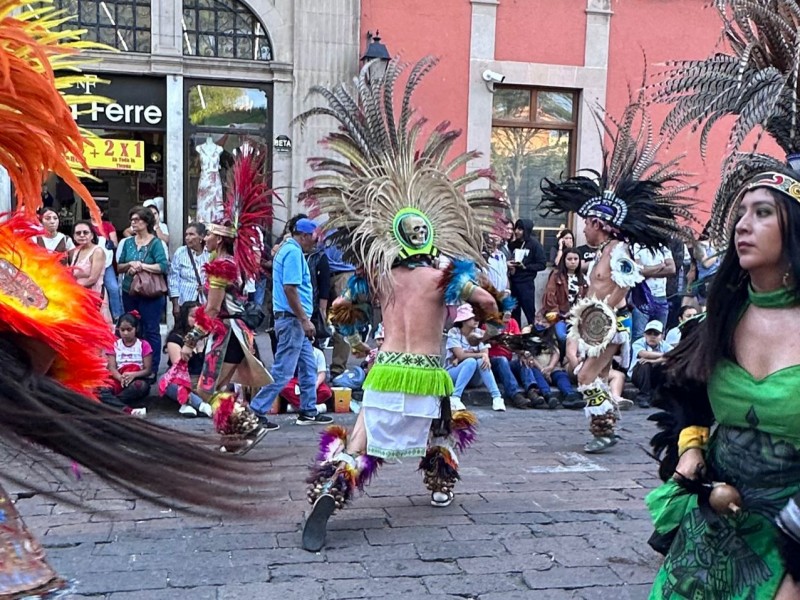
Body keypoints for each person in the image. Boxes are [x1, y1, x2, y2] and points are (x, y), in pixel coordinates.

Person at [0, 7, 285, 597]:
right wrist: (207, 316)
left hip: (225, 325)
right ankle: (238, 428)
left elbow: (220, 298)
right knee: (217, 386)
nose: (213, 239)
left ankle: (240, 427)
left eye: (219, 236)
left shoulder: (224, 263)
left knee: (223, 385)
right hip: (216, 325)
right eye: (215, 237)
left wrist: (210, 314)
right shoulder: (220, 261)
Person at [294, 57, 508, 552]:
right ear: (431, 232)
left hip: (385, 368)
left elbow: (343, 308)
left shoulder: (379, 276)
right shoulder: (444, 273)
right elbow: (483, 299)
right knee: (441, 423)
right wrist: (487, 317)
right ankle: (439, 484)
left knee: (361, 437)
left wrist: (353, 339)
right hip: (429, 371)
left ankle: (336, 482)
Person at [647, 4, 800, 593]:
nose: (743, 225)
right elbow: (687, 394)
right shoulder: (722, 318)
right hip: (710, 530)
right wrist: (691, 460)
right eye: (740, 213)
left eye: (763, 213)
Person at [539, 96, 692, 454]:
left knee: (586, 376)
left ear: (597, 224)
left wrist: (601, 314)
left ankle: (604, 428)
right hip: (599, 322)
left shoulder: (618, 252)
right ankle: (606, 424)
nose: (583, 231)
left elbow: (626, 286)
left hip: (610, 324)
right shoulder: (604, 251)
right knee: (591, 375)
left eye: (586, 225)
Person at [177, 146, 275, 452]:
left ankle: (249, 426)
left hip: (227, 333)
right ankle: (234, 438)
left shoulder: (221, 265)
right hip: (233, 332)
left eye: (207, 234)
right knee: (216, 388)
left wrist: (190, 340)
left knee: (207, 388)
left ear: (219, 239)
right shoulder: (231, 262)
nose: (203, 237)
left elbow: (212, 309)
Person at [249, 218, 334, 426]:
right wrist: (304, 319)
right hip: (293, 320)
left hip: (291, 319)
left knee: (307, 366)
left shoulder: (286, 249)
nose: (315, 243)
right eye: (313, 238)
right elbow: (290, 288)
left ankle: (308, 410)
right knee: (284, 370)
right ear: (303, 236)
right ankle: (256, 410)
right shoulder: (294, 253)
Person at [117, 206, 169, 378]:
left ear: (147, 222)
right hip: (129, 291)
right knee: (133, 328)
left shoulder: (156, 243)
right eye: (132, 220)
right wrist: (131, 264)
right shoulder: (127, 243)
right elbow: (119, 266)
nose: (133, 223)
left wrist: (141, 266)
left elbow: (163, 266)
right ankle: (133, 366)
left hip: (151, 294)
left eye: (137, 219)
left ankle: (152, 369)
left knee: (151, 329)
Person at [445, 303, 506, 412]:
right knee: (471, 361)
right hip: (453, 373)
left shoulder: (480, 333)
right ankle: (455, 397)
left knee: (479, 360)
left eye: (477, 317)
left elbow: (485, 352)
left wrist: (482, 355)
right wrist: (479, 354)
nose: (476, 319)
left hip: (475, 377)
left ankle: (497, 397)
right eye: (472, 317)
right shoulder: (454, 332)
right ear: (463, 320)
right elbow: (461, 355)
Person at [160, 301, 213, 418]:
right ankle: (200, 405)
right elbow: (178, 367)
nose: (197, 321)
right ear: (184, 317)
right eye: (193, 317)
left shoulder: (210, 338)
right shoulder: (175, 338)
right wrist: (191, 344)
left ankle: (188, 404)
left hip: (204, 382)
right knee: (165, 381)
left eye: (200, 317)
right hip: (184, 380)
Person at [99, 311, 151, 417]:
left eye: (129, 330)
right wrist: (120, 378)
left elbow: (148, 370)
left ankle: (112, 404)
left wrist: (133, 375)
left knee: (141, 387)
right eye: (122, 330)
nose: (126, 333)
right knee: (100, 390)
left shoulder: (143, 345)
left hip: (136, 379)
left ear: (136, 329)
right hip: (118, 377)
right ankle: (126, 410)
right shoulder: (114, 344)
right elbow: (112, 367)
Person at [486, 313, 538, 409]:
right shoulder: (489, 323)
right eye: (506, 310)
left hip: (508, 361)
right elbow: (484, 342)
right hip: (493, 361)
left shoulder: (513, 322)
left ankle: (532, 390)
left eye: (510, 310)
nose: (508, 313)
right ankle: (515, 394)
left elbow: (518, 343)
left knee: (522, 361)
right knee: (502, 360)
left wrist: (523, 353)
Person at [540, 248, 588, 345]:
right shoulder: (556, 275)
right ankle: (561, 358)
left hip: (576, 315)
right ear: (564, 260)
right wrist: (559, 314)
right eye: (569, 259)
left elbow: (586, 299)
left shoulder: (583, 278)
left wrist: (575, 312)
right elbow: (550, 296)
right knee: (562, 337)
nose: (573, 262)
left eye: (576, 259)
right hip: (559, 314)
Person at [324, 235, 356, 378]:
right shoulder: (324, 228)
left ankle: (338, 369)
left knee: (342, 322)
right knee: (318, 320)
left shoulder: (350, 228)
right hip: (324, 273)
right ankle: (315, 367)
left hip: (344, 273)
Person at [70, 220, 112, 325]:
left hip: (94, 295)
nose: (82, 235)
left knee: (96, 327)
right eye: (78, 233)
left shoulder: (97, 251)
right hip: (79, 296)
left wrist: (73, 288)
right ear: (74, 237)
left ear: (92, 235)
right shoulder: (76, 251)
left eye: (85, 232)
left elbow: (93, 279)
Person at [631, 243, 675, 341]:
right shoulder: (636, 245)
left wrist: (647, 270)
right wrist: (661, 266)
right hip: (642, 297)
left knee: (659, 334)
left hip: (661, 296)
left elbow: (671, 269)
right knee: (639, 335)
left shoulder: (664, 246)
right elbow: (637, 271)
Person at [507, 218, 546, 326]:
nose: (517, 231)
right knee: (514, 314)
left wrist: (525, 267)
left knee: (530, 313)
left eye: (521, 229)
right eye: (516, 228)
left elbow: (542, 264)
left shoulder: (535, 245)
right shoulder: (512, 244)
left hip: (526, 284)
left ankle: (533, 335)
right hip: (512, 283)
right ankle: (516, 336)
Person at [168, 222, 209, 320]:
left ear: (202, 236)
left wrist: (207, 287)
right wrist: (175, 305)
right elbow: (173, 279)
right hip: (185, 302)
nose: (187, 238)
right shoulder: (180, 253)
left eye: (191, 234)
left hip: (206, 302)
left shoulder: (210, 253)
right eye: (186, 234)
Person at [628, 320, 672, 408]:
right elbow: (644, 354)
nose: (652, 336)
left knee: (667, 365)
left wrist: (654, 361)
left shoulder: (665, 345)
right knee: (644, 364)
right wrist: (664, 356)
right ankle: (643, 397)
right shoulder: (638, 343)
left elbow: (673, 356)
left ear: (662, 336)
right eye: (649, 333)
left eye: (656, 334)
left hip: (655, 375)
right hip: (638, 375)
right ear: (644, 335)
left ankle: (662, 396)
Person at [280, 343, 333, 414]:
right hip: (296, 381)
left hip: (314, 380)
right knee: (284, 388)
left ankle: (299, 407)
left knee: (326, 392)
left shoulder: (318, 353)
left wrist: (316, 384)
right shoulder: (292, 352)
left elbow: (322, 373)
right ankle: (310, 408)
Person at [95, 208, 123, 320]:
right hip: (90, 263)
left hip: (106, 264)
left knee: (113, 288)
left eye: (97, 211)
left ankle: (118, 316)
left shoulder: (108, 226)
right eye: (92, 210)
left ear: (101, 213)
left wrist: (109, 243)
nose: (94, 213)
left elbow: (115, 243)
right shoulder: (86, 225)